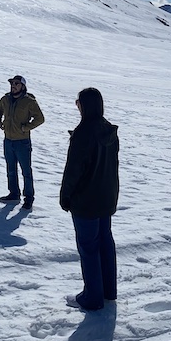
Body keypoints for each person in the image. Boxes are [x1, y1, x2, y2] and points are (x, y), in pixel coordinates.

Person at [59, 87, 119, 311]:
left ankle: (92, 298)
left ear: (85, 105)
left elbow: (73, 170)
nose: (77, 105)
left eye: (78, 102)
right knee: (105, 243)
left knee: (89, 247)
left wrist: (65, 197)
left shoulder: (83, 132)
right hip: (106, 199)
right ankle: (108, 291)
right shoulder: (108, 130)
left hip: (86, 202)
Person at [0, 75, 46, 208]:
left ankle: (28, 198)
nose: (13, 85)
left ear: (22, 86)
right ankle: (14, 194)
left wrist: (26, 127)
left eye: (17, 83)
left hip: (22, 142)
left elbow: (40, 118)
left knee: (26, 171)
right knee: (11, 170)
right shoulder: (5, 99)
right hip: (8, 141)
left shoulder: (29, 101)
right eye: (12, 83)